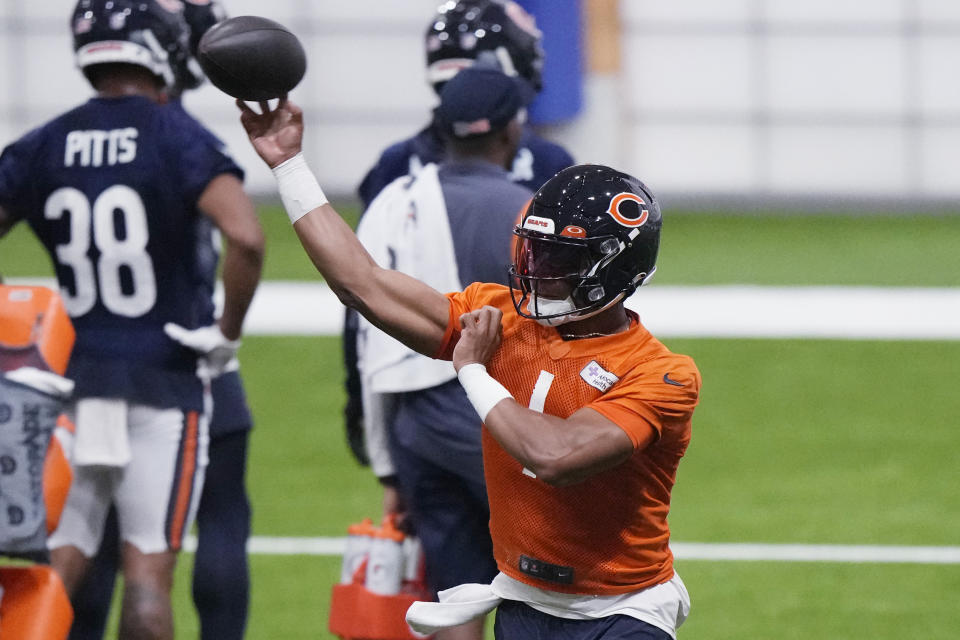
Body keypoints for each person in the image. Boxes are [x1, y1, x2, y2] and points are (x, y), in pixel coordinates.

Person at [238, 97, 700, 639]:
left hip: (621, 613)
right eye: (534, 253)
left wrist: (473, 373)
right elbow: (361, 284)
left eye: (558, 260)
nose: (538, 272)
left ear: (615, 267)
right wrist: (288, 165)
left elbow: (557, 455)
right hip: (525, 605)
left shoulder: (662, 374)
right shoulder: (498, 315)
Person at [0, 1, 264, 639]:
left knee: (55, 568)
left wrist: (14, 324)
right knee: (148, 571)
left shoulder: (44, 142)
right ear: (158, 47)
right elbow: (247, 238)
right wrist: (226, 334)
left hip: (71, 379)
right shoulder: (175, 135)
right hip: (165, 380)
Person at [343, 0, 574, 468]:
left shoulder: (396, 168)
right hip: (509, 386)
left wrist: (360, 400)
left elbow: (358, 293)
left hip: (419, 390)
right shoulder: (548, 164)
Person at [357, 66, 534, 640]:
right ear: (511, 132)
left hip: (411, 421)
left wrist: (385, 459)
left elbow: (364, 328)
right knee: (551, 586)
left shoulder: (393, 201)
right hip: (489, 415)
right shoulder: (528, 214)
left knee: (454, 599)